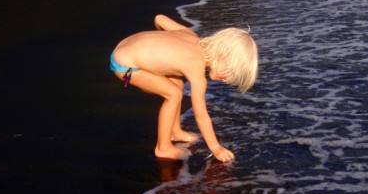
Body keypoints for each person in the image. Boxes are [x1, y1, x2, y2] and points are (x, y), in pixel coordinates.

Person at [110, 14, 258, 162]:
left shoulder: (191, 35)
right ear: (222, 55)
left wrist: (162, 47)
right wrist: (216, 147)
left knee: (178, 83)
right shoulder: (195, 67)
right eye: (230, 71)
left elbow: (159, 19)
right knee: (173, 94)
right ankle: (163, 148)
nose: (228, 79)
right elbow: (201, 115)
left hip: (123, 47)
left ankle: (175, 131)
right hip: (125, 70)